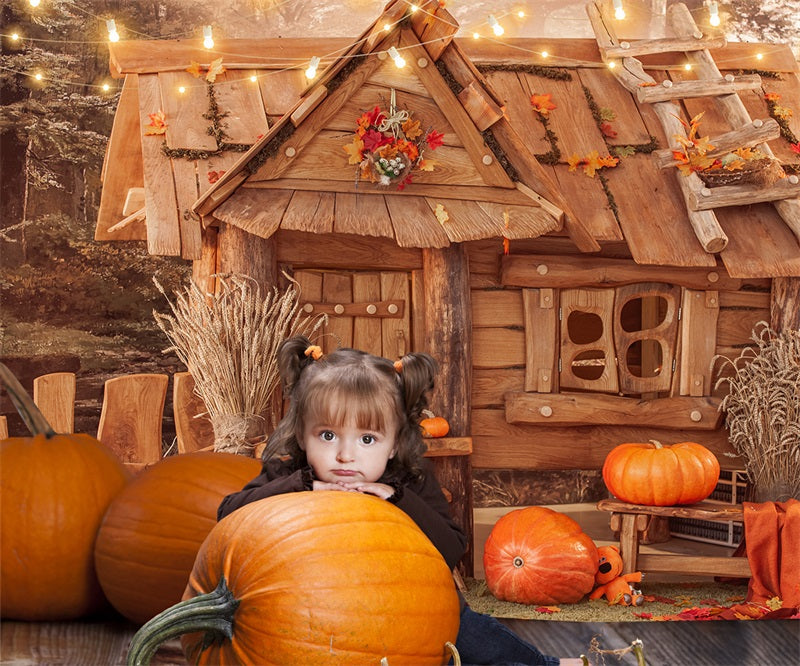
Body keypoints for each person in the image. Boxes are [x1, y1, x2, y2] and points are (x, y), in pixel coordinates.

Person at [218, 336, 582, 666]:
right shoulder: (290, 476)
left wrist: (398, 499)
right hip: (320, 612)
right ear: (302, 435)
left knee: (473, 636)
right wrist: (301, 487)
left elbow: (453, 548)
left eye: (367, 440)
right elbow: (227, 514)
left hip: (411, 609)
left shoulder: (408, 481)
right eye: (328, 435)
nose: (345, 456)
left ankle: (547, 665)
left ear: (393, 443)